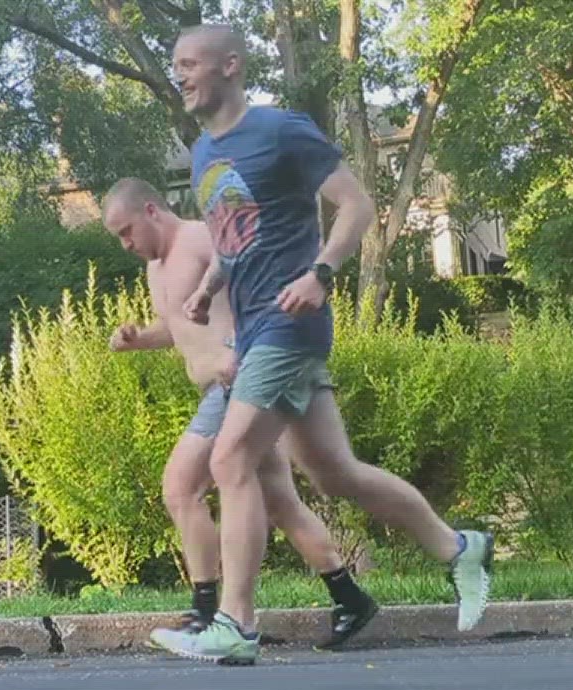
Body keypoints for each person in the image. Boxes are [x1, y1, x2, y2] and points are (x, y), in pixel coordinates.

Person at [147, 24, 493, 666]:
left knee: (230, 462)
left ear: (229, 65)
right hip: (254, 329)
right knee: (333, 474)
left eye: (189, 63)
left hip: (291, 323)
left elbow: (357, 205)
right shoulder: (201, 153)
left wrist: (322, 272)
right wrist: (207, 286)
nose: (180, 74)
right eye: (175, 66)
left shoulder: (282, 130)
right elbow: (236, 236)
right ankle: (459, 547)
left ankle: (236, 624)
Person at [100, 177, 379, 653]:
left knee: (181, 484)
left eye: (126, 231)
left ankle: (205, 613)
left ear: (151, 211)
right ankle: (350, 597)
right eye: (118, 238)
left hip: (240, 382)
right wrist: (137, 339)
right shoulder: (156, 270)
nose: (126, 244)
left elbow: (263, 278)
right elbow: (177, 329)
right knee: (278, 501)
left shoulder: (201, 238)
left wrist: (243, 347)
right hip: (222, 388)